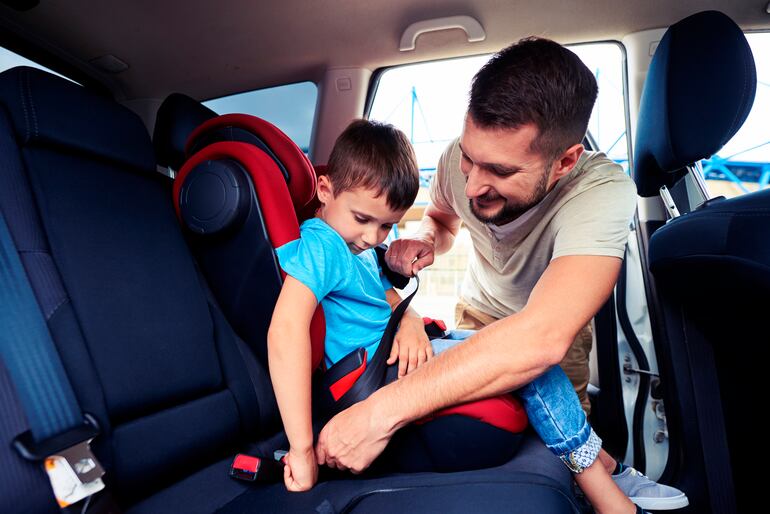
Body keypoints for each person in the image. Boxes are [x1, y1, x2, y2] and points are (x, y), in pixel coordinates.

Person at [314, 39, 689, 512]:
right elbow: (444, 219)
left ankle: (608, 479)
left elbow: (540, 338)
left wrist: (376, 416)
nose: (471, 184)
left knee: (559, 447)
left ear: (565, 161)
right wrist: (427, 242)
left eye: (499, 170)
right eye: (470, 159)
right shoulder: (457, 162)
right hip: (475, 313)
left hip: (548, 331)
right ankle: (608, 473)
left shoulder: (600, 191)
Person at [268, 119, 642, 514]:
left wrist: (410, 321)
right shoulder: (322, 244)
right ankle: (605, 487)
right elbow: (287, 330)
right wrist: (302, 448)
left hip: (396, 359)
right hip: (371, 378)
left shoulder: (354, 246)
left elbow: (387, 297)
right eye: (364, 220)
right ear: (324, 190)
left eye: (388, 226)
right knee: (531, 366)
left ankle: (598, 465)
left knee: (512, 347)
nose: (375, 237)